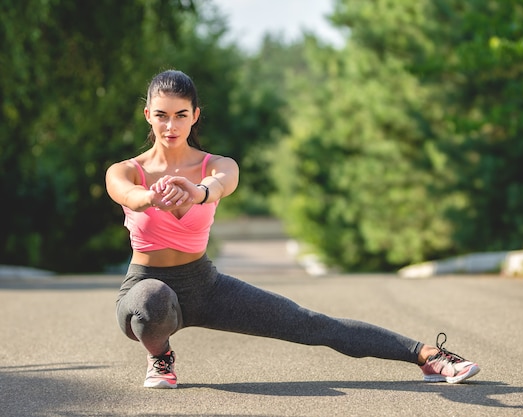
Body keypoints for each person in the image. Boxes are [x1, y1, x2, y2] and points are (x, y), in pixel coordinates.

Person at [105, 69, 481, 389]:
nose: (171, 125)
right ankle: (161, 357)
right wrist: (153, 197)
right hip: (144, 286)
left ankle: (428, 356)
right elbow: (130, 195)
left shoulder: (217, 165)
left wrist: (199, 193)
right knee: (152, 300)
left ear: (195, 115)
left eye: (181, 115)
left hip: (205, 285)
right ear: (147, 115)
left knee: (309, 323)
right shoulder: (125, 169)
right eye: (162, 115)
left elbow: (221, 185)